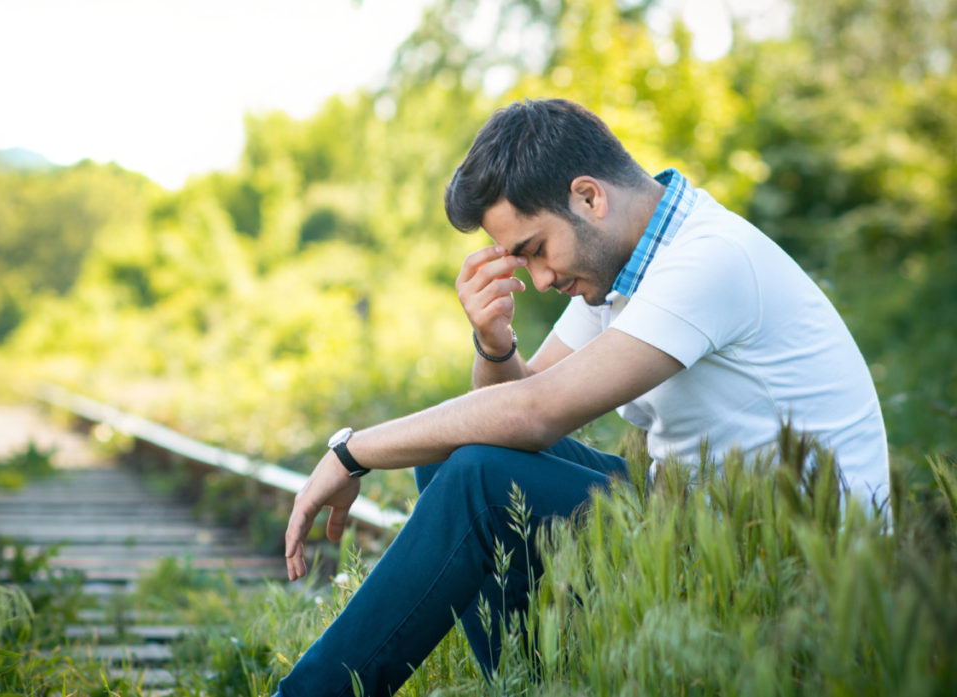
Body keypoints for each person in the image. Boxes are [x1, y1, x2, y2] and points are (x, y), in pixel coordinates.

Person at [273, 98, 889, 696]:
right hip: (692, 516)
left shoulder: (709, 259)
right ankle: (527, 686)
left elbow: (534, 416)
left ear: (589, 197)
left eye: (537, 250)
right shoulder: (623, 265)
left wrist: (351, 453)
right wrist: (494, 344)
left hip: (782, 563)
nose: (541, 280)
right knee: (453, 457)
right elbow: (511, 410)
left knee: (478, 481)